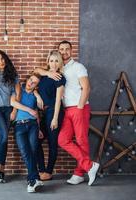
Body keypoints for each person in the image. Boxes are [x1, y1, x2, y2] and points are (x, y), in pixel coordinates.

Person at [34, 40, 99, 186]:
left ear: (71, 50)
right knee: (62, 140)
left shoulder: (78, 67)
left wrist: (80, 107)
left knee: (81, 140)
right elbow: (38, 70)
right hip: (66, 110)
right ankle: (89, 166)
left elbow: (86, 88)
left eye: (67, 49)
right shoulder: (60, 69)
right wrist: (46, 72)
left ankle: (79, 172)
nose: (64, 52)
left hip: (78, 108)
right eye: (61, 49)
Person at [0, 50, 20, 183]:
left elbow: (17, 94)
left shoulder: (13, 75)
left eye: (2, 59)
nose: (1, 62)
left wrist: (14, 111)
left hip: (9, 109)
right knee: (4, 135)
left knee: (4, 138)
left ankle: (0, 170)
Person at [10, 73, 44, 193]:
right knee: (25, 152)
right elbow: (13, 103)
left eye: (34, 82)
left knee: (33, 151)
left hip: (33, 125)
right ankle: (34, 178)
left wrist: (37, 94)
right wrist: (29, 109)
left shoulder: (34, 95)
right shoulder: (19, 90)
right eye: (30, 80)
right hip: (19, 126)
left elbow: (38, 109)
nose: (30, 83)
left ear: (36, 86)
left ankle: (32, 181)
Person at [36, 50, 66, 181]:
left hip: (55, 111)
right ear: (48, 62)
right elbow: (35, 71)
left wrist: (55, 118)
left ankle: (48, 172)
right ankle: (42, 170)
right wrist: (37, 95)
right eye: (51, 60)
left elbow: (59, 99)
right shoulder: (43, 76)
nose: (53, 64)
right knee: (36, 141)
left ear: (59, 63)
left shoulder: (60, 78)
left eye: (56, 61)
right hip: (45, 113)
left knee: (52, 143)